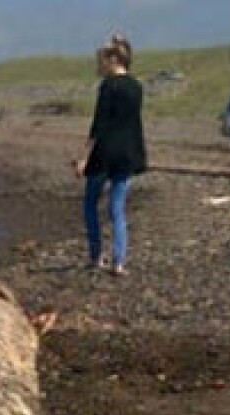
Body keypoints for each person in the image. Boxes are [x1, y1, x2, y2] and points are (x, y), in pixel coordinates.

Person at [73, 35, 147, 276]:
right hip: (128, 152)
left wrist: (84, 158)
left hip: (105, 153)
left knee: (90, 204)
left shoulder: (108, 86)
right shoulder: (136, 86)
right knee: (117, 208)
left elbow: (99, 124)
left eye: (101, 60)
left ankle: (96, 255)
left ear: (113, 59)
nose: (99, 65)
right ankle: (119, 260)